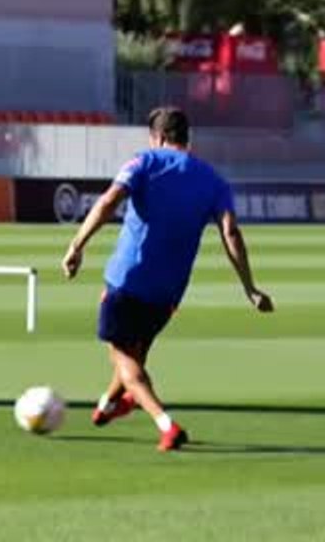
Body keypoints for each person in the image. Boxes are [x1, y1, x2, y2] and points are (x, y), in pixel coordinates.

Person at [61, 106, 273, 452]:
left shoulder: (144, 162)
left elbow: (109, 201)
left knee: (124, 360)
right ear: (187, 138)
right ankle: (107, 406)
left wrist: (76, 245)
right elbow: (231, 232)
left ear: (157, 137)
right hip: (168, 293)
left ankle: (166, 424)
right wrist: (250, 288)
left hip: (127, 280)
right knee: (134, 354)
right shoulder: (213, 180)